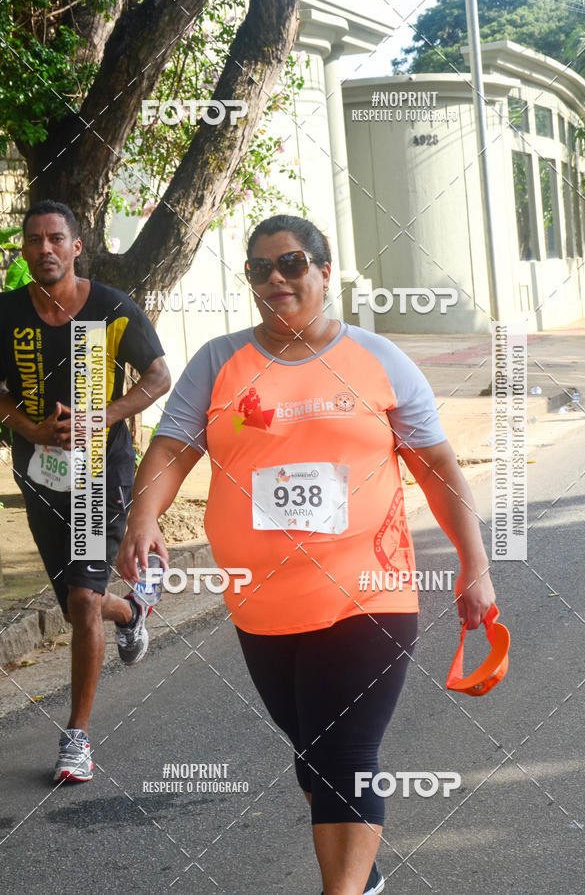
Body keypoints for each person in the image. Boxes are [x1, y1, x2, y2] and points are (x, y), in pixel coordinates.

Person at [116, 214, 495, 895]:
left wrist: (477, 565)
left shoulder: (378, 359)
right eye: (259, 269)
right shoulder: (218, 360)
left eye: (291, 264)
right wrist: (143, 516)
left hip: (368, 592)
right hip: (261, 604)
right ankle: (363, 876)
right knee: (314, 752)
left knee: (347, 750)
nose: (275, 280)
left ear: (324, 270)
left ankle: (343, 890)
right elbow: (173, 448)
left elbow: (437, 468)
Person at [0, 200, 170, 783]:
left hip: (100, 471)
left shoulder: (111, 308)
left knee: (79, 601)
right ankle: (132, 612)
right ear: (24, 251)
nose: (44, 248)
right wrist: (24, 425)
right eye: (33, 240)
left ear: (76, 247)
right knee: (83, 606)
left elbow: (158, 377)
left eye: (55, 239)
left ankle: (77, 737)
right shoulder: (7, 313)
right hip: (41, 473)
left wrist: (104, 417)